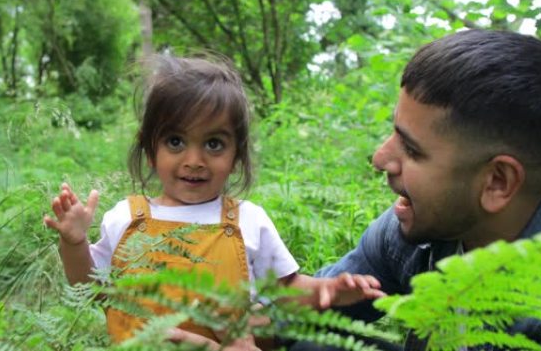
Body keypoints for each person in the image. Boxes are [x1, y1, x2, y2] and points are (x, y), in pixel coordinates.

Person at [43, 55, 385, 344]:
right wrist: (74, 243)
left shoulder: (249, 221)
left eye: (214, 144)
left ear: (236, 155)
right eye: (176, 141)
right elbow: (91, 287)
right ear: (150, 150)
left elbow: (288, 287)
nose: (194, 160)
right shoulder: (125, 218)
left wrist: (331, 289)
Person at [292, 29, 541, 351]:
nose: (381, 159)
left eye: (411, 149)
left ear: (497, 181)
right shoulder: (425, 221)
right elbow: (308, 311)